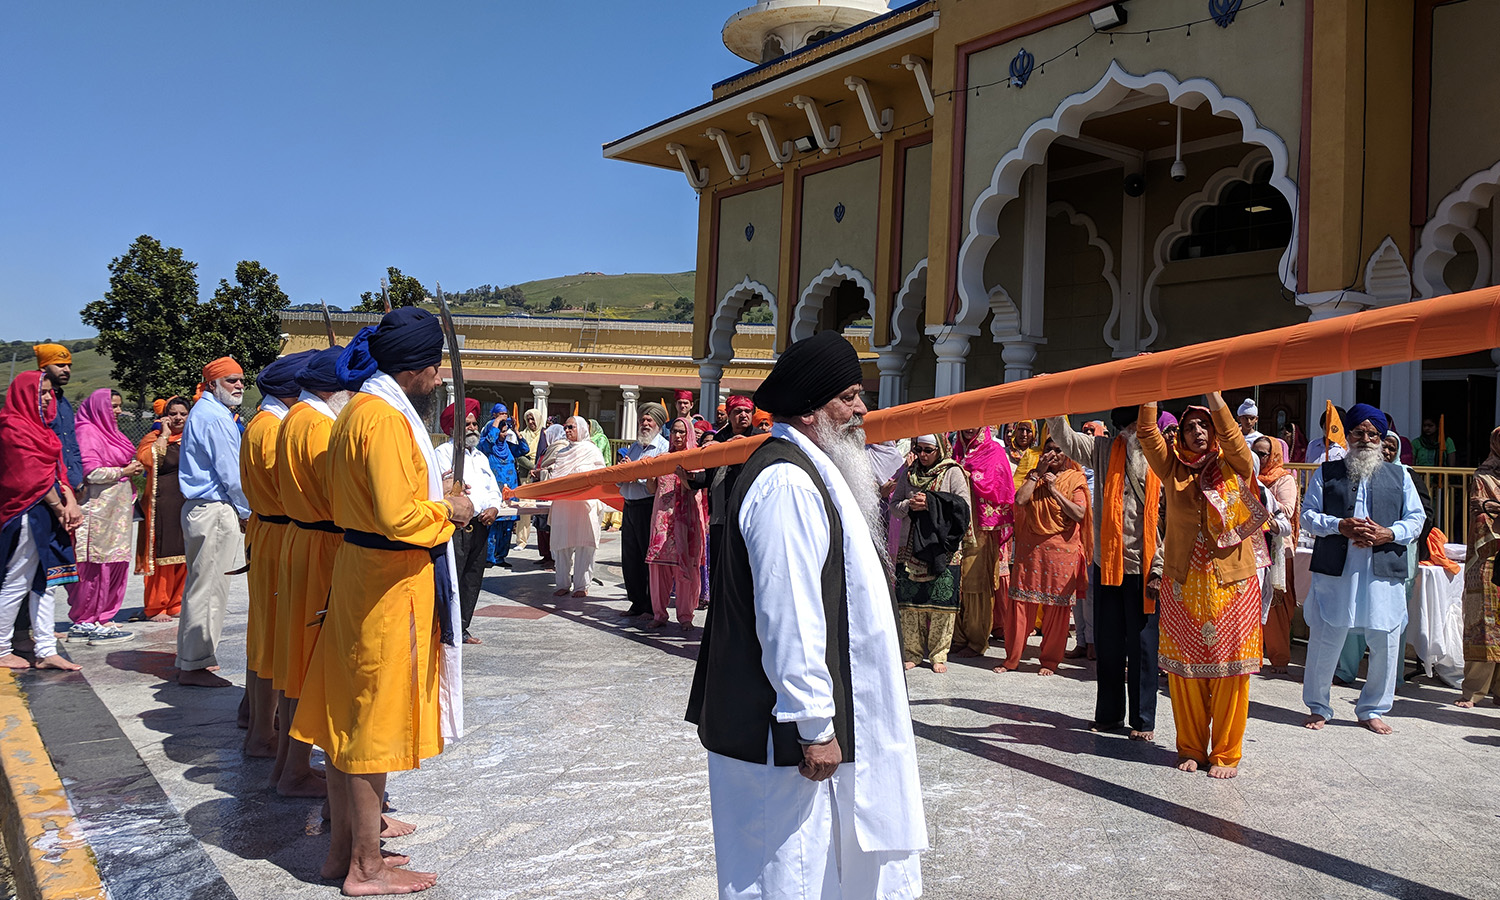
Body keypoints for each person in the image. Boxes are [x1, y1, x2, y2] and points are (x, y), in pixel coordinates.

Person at [686, 330, 925, 898]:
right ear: (815, 410)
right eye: (849, 396)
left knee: (813, 873)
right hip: (779, 739)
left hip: (795, 733)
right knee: (783, 876)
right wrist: (815, 725)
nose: (863, 409)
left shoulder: (811, 471)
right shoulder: (788, 482)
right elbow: (788, 618)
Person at [290, 307, 474, 895]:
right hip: (385, 584)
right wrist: (450, 509)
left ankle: (343, 852)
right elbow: (398, 516)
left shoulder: (354, 413)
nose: (439, 377)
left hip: (360, 574)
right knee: (371, 723)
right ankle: (365, 869)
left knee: (352, 715)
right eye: (436, 367)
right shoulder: (386, 419)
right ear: (420, 368)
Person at [1139, 394, 1264, 778]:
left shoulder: (1235, 465)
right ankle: (1191, 747)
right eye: (1189, 426)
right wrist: (1149, 390)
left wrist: (1214, 395)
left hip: (1233, 585)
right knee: (1185, 671)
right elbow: (1147, 432)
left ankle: (1226, 753)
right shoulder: (1172, 469)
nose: (1197, 431)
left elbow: (1235, 437)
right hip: (1183, 584)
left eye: (1203, 425)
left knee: (1230, 671)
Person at [1300, 405, 1426, 735]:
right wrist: (1339, 525)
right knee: (1327, 635)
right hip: (1338, 568)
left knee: (1385, 638)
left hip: (1382, 569)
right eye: (1360, 432)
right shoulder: (1327, 473)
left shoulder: (1401, 476)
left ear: (1383, 439)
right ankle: (1318, 705)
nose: (1367, 439)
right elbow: (1307, 515)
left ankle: (1372, 708)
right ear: (1350, 435)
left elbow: (1416, 519)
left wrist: (1389, 533)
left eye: (1374, 434)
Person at [1048, 407, 1163, 739]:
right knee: (1109, 642)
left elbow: (1172, 520)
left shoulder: (1163, 458)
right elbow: (1065, 439)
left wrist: (1159, 566)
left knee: (1143, 646)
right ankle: (1110, 714)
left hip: (1145, 566)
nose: (1134, 431)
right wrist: (1054, 404)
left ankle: (1143, 721)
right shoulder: (1102, 449)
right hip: (1108, 563)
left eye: (1139, 424)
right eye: (1129, 425)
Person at [270, 345, 348, 799]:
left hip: (302, 537)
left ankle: (288, 763)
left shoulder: (295, 419)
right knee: (313, 661)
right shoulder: (318, 426)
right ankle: (295, 766)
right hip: (322, 544)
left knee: (298, 657)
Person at [177, 357, 251, 688]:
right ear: (212, 385)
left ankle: (194, 659)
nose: (239, 386)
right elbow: (231, 474)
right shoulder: (214, 418)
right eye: (231, 381)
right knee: (209, 588)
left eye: (241, 380)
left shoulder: (210, 414)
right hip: (214, 509)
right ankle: (193, 665)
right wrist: (249, 512)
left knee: (204, 584)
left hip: (206, 509)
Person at [0, 371, 82, 671]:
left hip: (49, 511)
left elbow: (57, 471)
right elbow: (30, 477)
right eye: (42, 393)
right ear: (25, 395)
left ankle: (46, 649)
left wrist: (69, 500)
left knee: (48, 582)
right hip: (26, 513)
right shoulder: (12, 428)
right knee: (17, 581)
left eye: (49, 393)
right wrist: (61, 508)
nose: (49, 398)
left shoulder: (43, 429)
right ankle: (0, 648)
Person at [1003, 438, 1090, 676]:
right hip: (1031, 548)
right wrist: (1036, 475)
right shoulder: (1034, 475)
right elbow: (1020, 500)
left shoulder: (1075, 478)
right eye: (1048, 449)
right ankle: (1012, 659)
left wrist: (1053, 490)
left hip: (1062, 550)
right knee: (1020, 602)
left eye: (1058, 450)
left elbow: (1079, 513)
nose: (1052, 454)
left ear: (1067, 453)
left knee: (1057, 607)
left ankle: (1050, 661)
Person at [892, 434, 972, 673]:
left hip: (942, 548)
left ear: (941, 450)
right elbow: (895, 506)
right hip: (911, 547)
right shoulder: (908, 474)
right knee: (909, 604)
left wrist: (932, 504)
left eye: (928, 450)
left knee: (941, 605)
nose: (923, 455)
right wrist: (909, 505)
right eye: (919, 450)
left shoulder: (952, 472)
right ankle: (913, 653)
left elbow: (963, 507)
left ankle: (939, 655)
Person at [68, 387, 141, 645]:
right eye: (114, 406)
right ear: (100, 408)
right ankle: (87, 619)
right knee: (96, 566)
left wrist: (129, 470)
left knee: (115, 562)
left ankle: (104, 616)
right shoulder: (88, 432)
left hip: (116, 511)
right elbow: (91, 473)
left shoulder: (112, 433)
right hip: (97, 513)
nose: (119, 411)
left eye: (120, 406)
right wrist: (124, 470)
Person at [436, 399, 504, 643]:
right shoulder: (444, 454)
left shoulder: (481, 457)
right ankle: (445, 628)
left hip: (481, 526)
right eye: (467, 424)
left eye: (475, 423)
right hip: (457, 528)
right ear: (454, 428)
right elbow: (444, 489)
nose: (473, 428)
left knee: (473, 578)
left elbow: (493, 489)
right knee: (453, 577)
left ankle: (462, 627)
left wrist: (494, 507)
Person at [951, 426, 1015, 658]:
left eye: (973, 425)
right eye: (964, 425)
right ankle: (957, 636)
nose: (968, 429)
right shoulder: (954, 452)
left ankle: (977, 641)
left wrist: (968, 476)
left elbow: (1001, 487)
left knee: (975, 584)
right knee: (955, 581)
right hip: (955, 528)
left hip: (982, 528)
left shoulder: (995, 451)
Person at [646, 418, 707, 630]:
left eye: (682, 432)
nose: (678, 436)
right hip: (662, 519)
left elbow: (699, 487)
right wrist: (650, 475)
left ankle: (685, 616)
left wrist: (685, 477)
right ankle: (659, 614)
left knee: (686, 568)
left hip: (686, 521)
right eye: (674, 432)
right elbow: (652, 490)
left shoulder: (696, 458)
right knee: (659, 567)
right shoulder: (662, 459)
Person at [134, 396, 190, 621]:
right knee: (162, 554)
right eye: (173, 413)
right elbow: (147, 459)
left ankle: (176, 601)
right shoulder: (154, 438)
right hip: (160, 504)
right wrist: (165, 436)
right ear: (165, 416)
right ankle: (156, 606)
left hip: (185, 501)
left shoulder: (191, 438)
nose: (178, 418)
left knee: (184, 553)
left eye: (182, 414)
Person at [539, 416, 606, 598]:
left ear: (582, 429)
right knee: (562, 545)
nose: (567, 430)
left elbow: (600, 476)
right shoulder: (561, 452)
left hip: (585, 506)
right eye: (566, 427)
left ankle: (582, 585)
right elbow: (556, 478)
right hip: (563, 504)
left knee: (585, 545)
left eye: (571, 427)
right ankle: (562, 583)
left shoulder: (592, 451)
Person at [1459, 426, 1500, 707]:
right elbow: (1481, 514)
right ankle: (1474, 691)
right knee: (1481, 622)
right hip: (1487, 556)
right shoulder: (1482, 476)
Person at [616, 403, 669, 619]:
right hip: (629, 506)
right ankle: (636, 602)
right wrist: (623, 470)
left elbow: (659, 481)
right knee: (630, 557)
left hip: (649, 507)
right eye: (642, 420)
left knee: (648, 557)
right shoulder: (635, 447)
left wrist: (634, 474)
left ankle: (649, 605)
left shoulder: (663, 448)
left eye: (649, 420)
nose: (645, 424)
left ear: (658, 423)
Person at [1252, 435, 1300, 674]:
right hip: (1255, 545)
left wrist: (1263, 499)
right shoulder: (1250, 478)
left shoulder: (1283, 479)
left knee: (1277, 605)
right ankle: (1254, 655)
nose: (1259, 458)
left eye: (1263, 454)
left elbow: (1289, 510)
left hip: (1278, 547)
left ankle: (1279, 658)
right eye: (1255, 452)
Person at [477, 402, 528, 569]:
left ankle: (501, 556)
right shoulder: (488, 445)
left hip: (510, 491)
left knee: (507, 526)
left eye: (505, 431)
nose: (503, 433)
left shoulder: (508, 447)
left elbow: (524, 449)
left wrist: (517, 432)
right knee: (494, 525)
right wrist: (497, 422)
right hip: (495, 491)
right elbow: (490, 439)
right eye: (502, 430)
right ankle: (489, 558)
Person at [34, 344, 84, 492]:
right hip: (46, 485)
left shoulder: (65, 403)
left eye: (69, 366)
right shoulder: (37, 403)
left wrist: (77, 480)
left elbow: (71, 445)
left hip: (70, 483)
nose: (67, 370)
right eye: (60, 365)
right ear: (43, 368)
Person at [513, 409, 542, 546]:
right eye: (528, 419)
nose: (531, 422)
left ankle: (545, 546)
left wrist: (540, 469)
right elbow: (519, 456)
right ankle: (521, 540)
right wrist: (533, 467)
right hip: (526, 475)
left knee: (543, 509)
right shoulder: (522, 435)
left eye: (533, 419)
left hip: (542, 476)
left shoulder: (544, 435)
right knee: (525, 507)